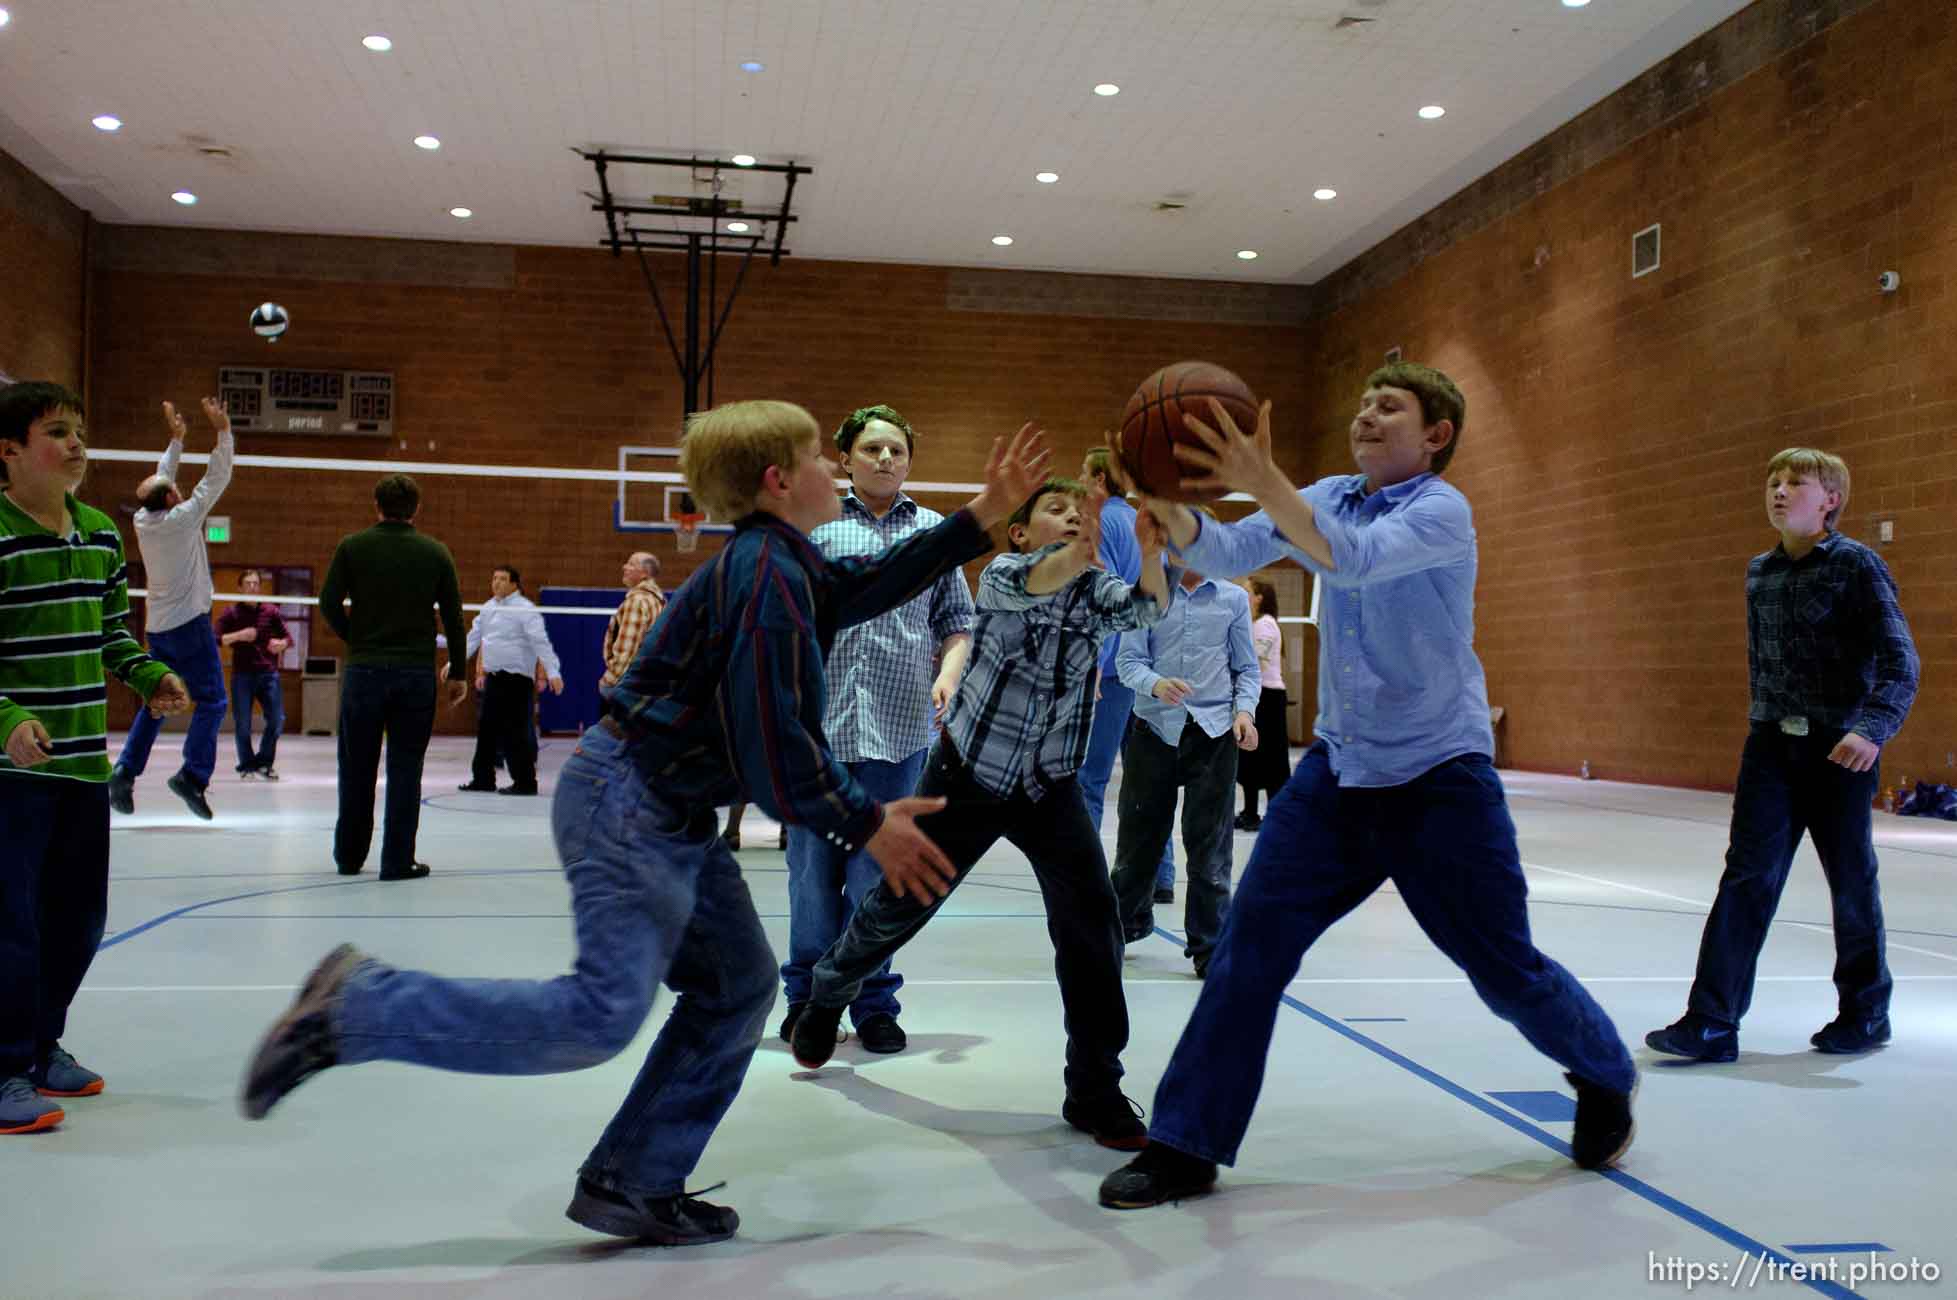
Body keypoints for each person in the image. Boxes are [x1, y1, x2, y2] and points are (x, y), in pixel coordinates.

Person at [240, 402, 1048, 1246]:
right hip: (631, 802)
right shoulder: (767, 574)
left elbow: (870, 586)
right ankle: (356, 1008)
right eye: (819, 458)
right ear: (778, 481)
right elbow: (772, 748)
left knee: (736, 985)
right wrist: (864, 821)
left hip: (661, 803)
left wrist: (978, 517)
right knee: (599, 1014)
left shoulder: (782, 561)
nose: (835, 471)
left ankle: (634, 1183)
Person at [1098, 363, 1639, 1209]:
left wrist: (1261, 479)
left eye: (1389, 406)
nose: (1365, 414)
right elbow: (1231, 548)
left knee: (1503, 970)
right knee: (1248, 951)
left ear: (1435, 436)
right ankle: (1184, 1144)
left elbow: (1347, 562)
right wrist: (1162, 501)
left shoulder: (1439, 511)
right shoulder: (1330, 493)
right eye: (1361, 402)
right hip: (1339, 776)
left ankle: (1603, 1071)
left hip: (1439, 780)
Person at [791, 476, 1172, 1152]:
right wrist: (1079, 545)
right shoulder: (1002, 574)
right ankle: (827, 990)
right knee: (895, 908)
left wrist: (1146, 551)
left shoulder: (1092, 590)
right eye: (1057, 511)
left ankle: (1093, 1087)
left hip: (1047, 786)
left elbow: (1145, 609)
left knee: (1093, 925)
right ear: (1022, 533)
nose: (1074, 519)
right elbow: (1042, 578)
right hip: (967, 776)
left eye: (1081, 513)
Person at [1646, 449, 1917, 1062]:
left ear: (1830, 501)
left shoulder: (1857, 566)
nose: (1779, 490)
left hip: (1839, 751)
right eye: (1773, 480)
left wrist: (1871, 729)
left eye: (1797, 482)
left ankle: (1866, 1013)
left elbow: (1901, 661)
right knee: (1747, 878)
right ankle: (1712, 1021)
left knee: (1850, 882)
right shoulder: (1759, 572)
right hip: (1770, 746)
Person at [1, 381, 187, 1135]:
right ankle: (5, 1066)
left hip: (81, 768)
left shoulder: (101, 535)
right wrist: (7, 718)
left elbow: (112, 633)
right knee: (11, 925)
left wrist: (150, 676)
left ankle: (41, 1048)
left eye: (80, 430)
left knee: (76, 920)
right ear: (9, 451)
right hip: (11, 773)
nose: (77, 445)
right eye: (57, 431)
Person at [778, 405, 974, 1054]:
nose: (885, 459)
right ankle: (807, 999)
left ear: (910, 460)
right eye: (872, 449)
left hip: (900, 732)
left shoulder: (934, 532)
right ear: (845, 459)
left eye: (896, 449)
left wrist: (948, 673)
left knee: (878, 880)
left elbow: (956, 622)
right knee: (811, 878)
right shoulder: (817, 527)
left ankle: (872, 1003)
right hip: (819, 734)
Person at [1110, 560, 1259, 976]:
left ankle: (1210, 947)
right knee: (1138, 841)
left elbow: (1246, 669)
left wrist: (1244, 713)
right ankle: (1121, 928)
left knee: (1211, 848)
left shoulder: (1233, 598)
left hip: (1213, 734)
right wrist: (1156, 684)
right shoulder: (1147, 595)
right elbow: (1128, 663)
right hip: (1153, 729)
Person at [320, 474, 468, 881]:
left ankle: (349, 857)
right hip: (415, 673)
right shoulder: (435, 552)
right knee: (406, 768)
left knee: (356, 766)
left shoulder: (353, 547)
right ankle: (397, 861)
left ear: (376, 506)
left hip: (364, 672)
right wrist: (458, 671)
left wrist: (357, 638)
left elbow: (328, 602)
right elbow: (454, 618)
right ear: (416, 509)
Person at [108, 398, 234, 820]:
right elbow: (217, 478)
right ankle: (193, 776)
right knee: (213, 701)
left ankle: (124, 771)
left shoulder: (145, 520)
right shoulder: (183, 517)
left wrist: (177, 440)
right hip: (189, 628)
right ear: (174, 499)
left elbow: (162, 479)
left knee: (158, 701)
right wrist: (223, 432)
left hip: (159, 629)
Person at [1074, 446, 1175, 904]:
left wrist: (1096, 664)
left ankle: (1084, 877)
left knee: (1089, 779)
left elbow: (1108, 603)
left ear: (1099, 478)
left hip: (1114, 673)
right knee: (1149, 779)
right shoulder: (1140, 523)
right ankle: (1163, 875)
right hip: (1150, 669)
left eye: (1083, 473)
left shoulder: (1103, 525)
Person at [454, 565, 562, 796]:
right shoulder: (488, 608)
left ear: (514, 584)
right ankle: (483, 779)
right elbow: (473, 639)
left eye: (502, 579)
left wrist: (552, 672)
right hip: (494, 679)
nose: (496, 583)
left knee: (517, 732)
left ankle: (524, 782)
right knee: (486, 730)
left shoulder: (525, 609)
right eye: (494, 578)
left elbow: (540, 642)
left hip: (517, 682)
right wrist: (454, 662)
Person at [215, 569, 291, 780]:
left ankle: (264, 762)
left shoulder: (271, 612)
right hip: (242, 676)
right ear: (240, 588)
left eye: (256, 583)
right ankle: (248, 765)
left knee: (277, 720)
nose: (252, 587)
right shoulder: (231, 613)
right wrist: (239, 635)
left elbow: (288, 638)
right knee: (243, 724)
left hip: (269, 675)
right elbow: (215, 638)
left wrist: (281, 644)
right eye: (248, 583)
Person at [1236, 579, 1292, 830]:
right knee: (1250, 757)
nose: (1243, 594)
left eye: (1247, 591)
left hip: (1268, 697)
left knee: (1272, 760)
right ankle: (1249, 812)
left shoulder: (1266, 625)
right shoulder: (1252, 625)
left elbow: (1255, 664)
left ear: (1259, 598)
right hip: (1256, 696)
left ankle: (1277, 816)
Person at [600, 551, 664, 688]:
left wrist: (607, 682)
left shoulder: (637, 602)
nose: (624, 567)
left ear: (644, 573)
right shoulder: (657, 601)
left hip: (626, 688)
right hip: (647, 684)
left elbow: (626, 652)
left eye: (631, 564)